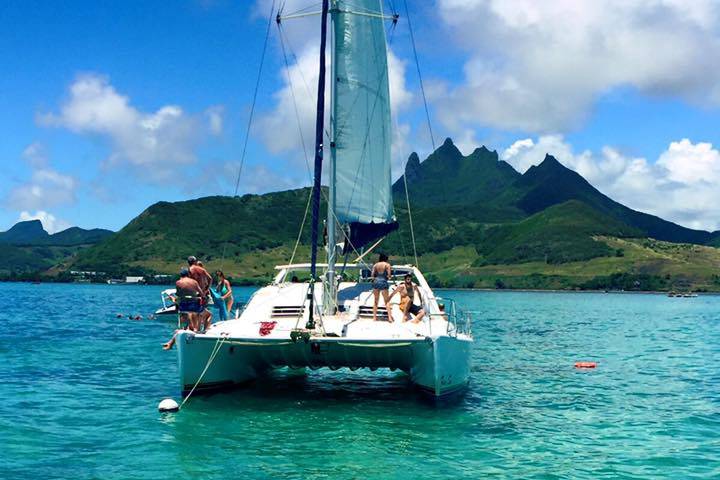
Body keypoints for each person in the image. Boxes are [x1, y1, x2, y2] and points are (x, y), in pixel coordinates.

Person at [163, 267, 203, 350]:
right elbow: (201, 293)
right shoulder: (194, 282)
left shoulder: (178, 282)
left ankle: (172, 342)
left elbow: (178, 294)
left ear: (181, 275)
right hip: (194, 306)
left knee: (187, 317)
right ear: (188, 274)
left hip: (183, 306)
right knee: (204, 312)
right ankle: (196, 329)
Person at [188, 256, 213, 331]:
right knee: (200, 312)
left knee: (191, 312)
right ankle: (199, 329)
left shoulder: (189, 270)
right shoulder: (202, 269)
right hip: (202, 294)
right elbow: (210, 279)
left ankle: (194, 329)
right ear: (195, 262)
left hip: (192, 293)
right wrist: (206, 289)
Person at [371, 253, 392, 322]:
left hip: (376, 282)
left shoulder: (375, 265)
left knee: (376, 301)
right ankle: (390, 318)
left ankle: (374, 317)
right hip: (383, 282)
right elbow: (389, 275)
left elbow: (372, 275)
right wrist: (388, 277)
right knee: (387, 301)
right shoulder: (387, 265)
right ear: (386, 259)